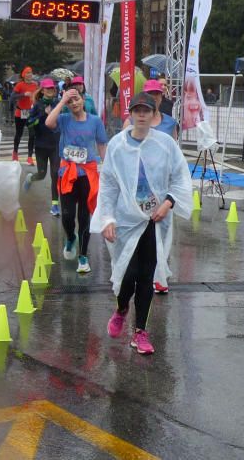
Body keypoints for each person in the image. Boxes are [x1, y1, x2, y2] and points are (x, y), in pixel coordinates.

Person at [91, 92, 192, 355]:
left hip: (153, 220)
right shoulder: (117, 145)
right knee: (129, 272)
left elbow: (180, 177)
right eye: (137, 110)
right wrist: (108, 218)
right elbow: (109, 184)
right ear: (130, 113)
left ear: (153, 112)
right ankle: (122, 308)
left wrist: (168, 203)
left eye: (146, 110)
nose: (142, 115)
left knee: (147, 275)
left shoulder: (165, 145)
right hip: (125, 219)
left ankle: (140, 333)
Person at [45, 87, 108, 274]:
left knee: (84, 216)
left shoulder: (95, 121)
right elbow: (49, 122)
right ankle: (70, 237)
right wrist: (62, 101)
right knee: (66, 215)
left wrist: (108, 168)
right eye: (70, 101)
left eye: (77, 99)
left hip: (87, 174)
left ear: (83, 99)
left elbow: (102, 145)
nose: (74, 104)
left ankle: (83, 256)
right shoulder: (64, 120)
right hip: (67, 173)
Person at [24, 78, 62, 216]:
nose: (50, 91)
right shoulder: (38, 105)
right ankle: (30, 178)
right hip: (41, 145)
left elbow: (63, 120)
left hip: (55, 144)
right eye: (48, 89)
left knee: (55, 174)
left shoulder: (58, 104)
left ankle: (55, 205)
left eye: (52, 88)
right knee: (42, 174)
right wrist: (42, 115)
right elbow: (29, 123)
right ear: (43, 90)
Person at [11, 67, 38, 164]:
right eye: (27, 73)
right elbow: (12, 97)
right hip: (20, 112)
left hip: (30, 113)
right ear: (23, 75)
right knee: (19, 133)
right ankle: (15, 152)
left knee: (32, 135)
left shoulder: (35, 85)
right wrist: (23, 95)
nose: (30, 74)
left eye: (31, 72)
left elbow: (37, 97)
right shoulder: (19, 85)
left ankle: (30, 156)